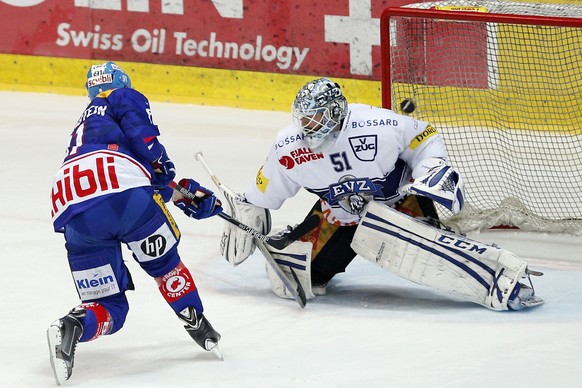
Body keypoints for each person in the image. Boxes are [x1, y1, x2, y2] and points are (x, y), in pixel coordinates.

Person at [215, 77, 542, 311]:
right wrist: (240, 217)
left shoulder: (378, 124)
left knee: (427, 258)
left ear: (334, 112)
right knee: (294, 278)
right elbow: (260, 196)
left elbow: (424, 136)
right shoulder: (288, 147)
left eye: (314, 118)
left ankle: (499, 275)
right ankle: (294, 239)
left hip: (401, 204)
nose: (307, 126)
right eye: (303, 119)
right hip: (340, 217)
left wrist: (432, 168)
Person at [47, 62, 223, 385]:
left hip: (73, 208)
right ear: (122, 83)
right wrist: (169, 174)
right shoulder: (121, 97)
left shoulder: (84, 128)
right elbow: (143, 151)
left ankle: (72, 326)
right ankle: (194, 319)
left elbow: (115, 171)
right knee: (165, 264)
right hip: (124, 197)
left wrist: (180, 194)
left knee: (110, 307)